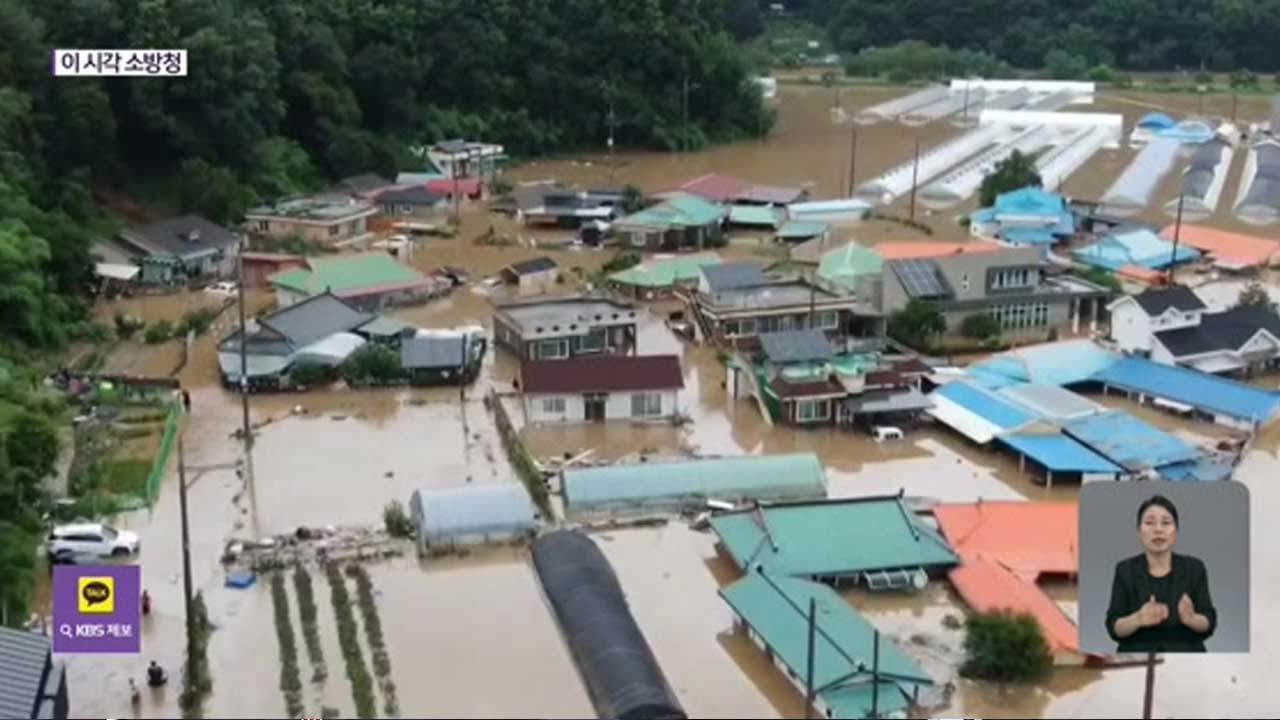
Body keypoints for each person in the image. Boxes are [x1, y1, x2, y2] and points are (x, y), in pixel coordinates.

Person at [1105, 495, 1217, 653]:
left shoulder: (1194, 568)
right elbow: (1113, 625)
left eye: (1166, 523)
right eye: (1149, 523)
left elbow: (1209, 620)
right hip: (1138, 656)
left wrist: (1192, 619)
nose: (1158, 529)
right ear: (1139, 530)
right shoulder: (1125, 570)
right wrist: (1137, 619)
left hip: (1187, 657)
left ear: (1176, 530)